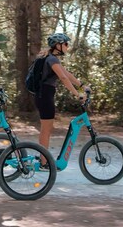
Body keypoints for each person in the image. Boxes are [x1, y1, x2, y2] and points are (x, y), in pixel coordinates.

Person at [34, 33, 88, 169]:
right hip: (44, 96)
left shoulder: (52, 59)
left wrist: (81, 86)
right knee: (46, 130)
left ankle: (43, 158)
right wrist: (77, 94)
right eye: (66, 44)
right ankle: (43, 162)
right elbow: (63, 78)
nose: (67, 47)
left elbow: (67, 74)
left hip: (44, 95)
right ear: (58, 45)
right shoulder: (52, 59)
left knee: (46, 129)